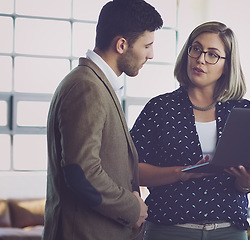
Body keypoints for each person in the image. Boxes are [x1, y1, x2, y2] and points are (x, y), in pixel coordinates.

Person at [130, 21, 250, 240]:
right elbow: (132, 169)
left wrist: (247, 183)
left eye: (212, 54)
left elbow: (247, 177)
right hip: (169, 230)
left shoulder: (243, 111)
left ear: (227, 65)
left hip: (229, 231)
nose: (201, 59)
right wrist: (181, 173)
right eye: (196, 48)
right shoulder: (159, 108)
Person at [43, 0, 163, 239]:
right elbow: (82, 172)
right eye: (147, 45)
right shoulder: (87, 87)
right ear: (121, 45)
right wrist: (132, 208)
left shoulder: (96, 83)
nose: (151, 55)